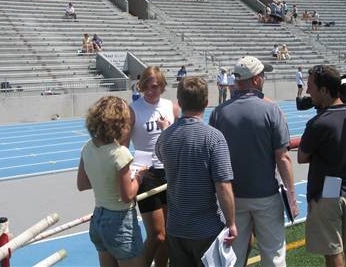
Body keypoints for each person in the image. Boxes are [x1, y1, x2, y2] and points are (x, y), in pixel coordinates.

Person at [210, 56, 298, 267]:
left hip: (232, 197)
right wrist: (291, 195)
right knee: (273, 254)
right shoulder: (271, 110)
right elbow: (283, 157)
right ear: (256, 80)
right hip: (265, 195)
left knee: (233, 256)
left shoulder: (218, 113)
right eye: (262, 75)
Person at [156, 77, 237, 267]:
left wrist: (166, 130)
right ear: (206, 102)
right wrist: (231, 222)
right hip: (206, 228)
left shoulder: (166, 137)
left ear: (180, 102)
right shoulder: (213, 138)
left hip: (176, 227)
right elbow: (223, 186)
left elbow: (162, 156)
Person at [297, 65, 346, 267]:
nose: (308, 91)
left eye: (311, 87)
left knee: (332, 251)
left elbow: (302, 156)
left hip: (327, 196)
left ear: (324, 90)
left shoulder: (319, 123)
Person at [76, 96, 147, 267]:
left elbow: (82, 184)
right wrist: (139, 177)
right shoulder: (120, 153)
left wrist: (105, 178)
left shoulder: (87, 147)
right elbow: (127, 195)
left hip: (98, 219)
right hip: (120, 221)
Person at [128, 66, 180, 267]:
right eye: (146, 87)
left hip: (169, 172)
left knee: (168, 234)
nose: (151, 91)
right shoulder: (133, 110)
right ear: (141, 87)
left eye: (155, 87)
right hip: (145, 173)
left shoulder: (171, 107)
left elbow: (177, 138)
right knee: (157, 235)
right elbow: (123, 147)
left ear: (163, 87)